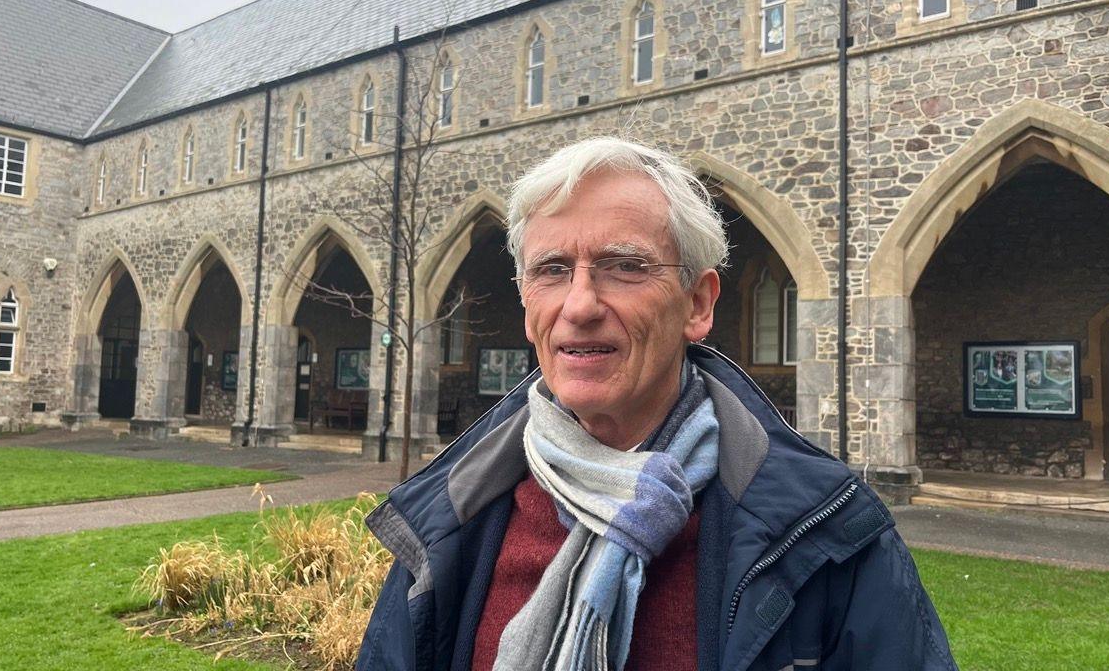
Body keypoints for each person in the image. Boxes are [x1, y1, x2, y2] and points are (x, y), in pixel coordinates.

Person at [356, 138, 956, 671]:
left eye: (624, 267)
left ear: (698, 304)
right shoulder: (450, 516)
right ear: (527, 304)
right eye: (552, 270)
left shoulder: (826, 533)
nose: (580, 304)